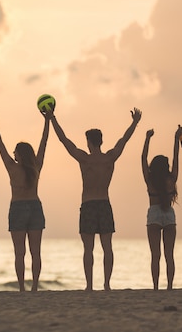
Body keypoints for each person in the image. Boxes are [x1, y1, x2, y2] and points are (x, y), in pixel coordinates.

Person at [49, 107, 142, 291]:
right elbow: (124, 140)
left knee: (88, 248)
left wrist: (52, 118)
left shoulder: (85, 159)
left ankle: (90, 286)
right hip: (104, 203)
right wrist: (134, 122)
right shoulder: (110, 158)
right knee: (107, 247)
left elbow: (64, 140)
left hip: (89, 205)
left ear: (89, 142)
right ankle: (106, 285)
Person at [0, 108, 50, 292]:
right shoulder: (37, 166)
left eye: (15, 152)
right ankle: (34, 287)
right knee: (35, 252)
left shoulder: (13, 168)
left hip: (18, 209)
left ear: (20, 154)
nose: (13, 154)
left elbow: (0, 145)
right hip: (35, 207)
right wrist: (47, 121)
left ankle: (22, 288)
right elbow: (44, 141)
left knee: (19, 253)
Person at [141, 126, 182, 290]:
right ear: (166, 167)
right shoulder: (171, 179)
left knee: (155, 256)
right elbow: (176, 158)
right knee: (169, 255)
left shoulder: (149, 179)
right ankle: (170, 287)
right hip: (169, 214)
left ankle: (156, 287)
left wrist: (147, 139)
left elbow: (143, 158)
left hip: (154, 215)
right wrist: (176, 139)